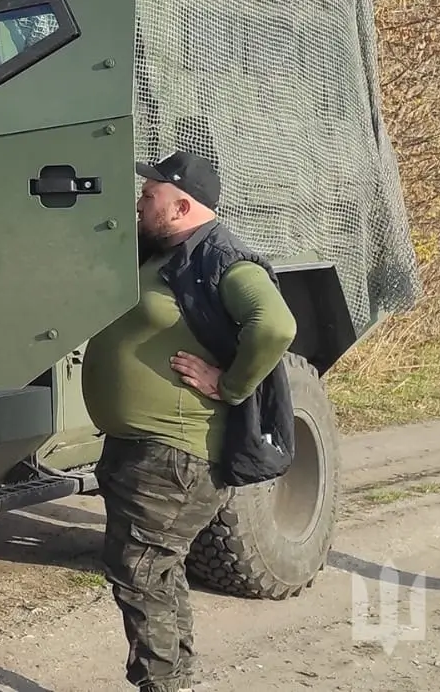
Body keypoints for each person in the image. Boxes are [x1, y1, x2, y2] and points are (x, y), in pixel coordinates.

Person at [80, 150, 298, 692]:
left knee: (141, 572)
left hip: (174, 452)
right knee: (157, 569)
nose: (139, 202)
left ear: (181, 206)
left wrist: (228, 384)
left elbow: (274, 326)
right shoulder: (167, 252)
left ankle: (164, 684)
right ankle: (175, 679)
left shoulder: (222, 257)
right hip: (145, 451)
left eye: (149, 195)